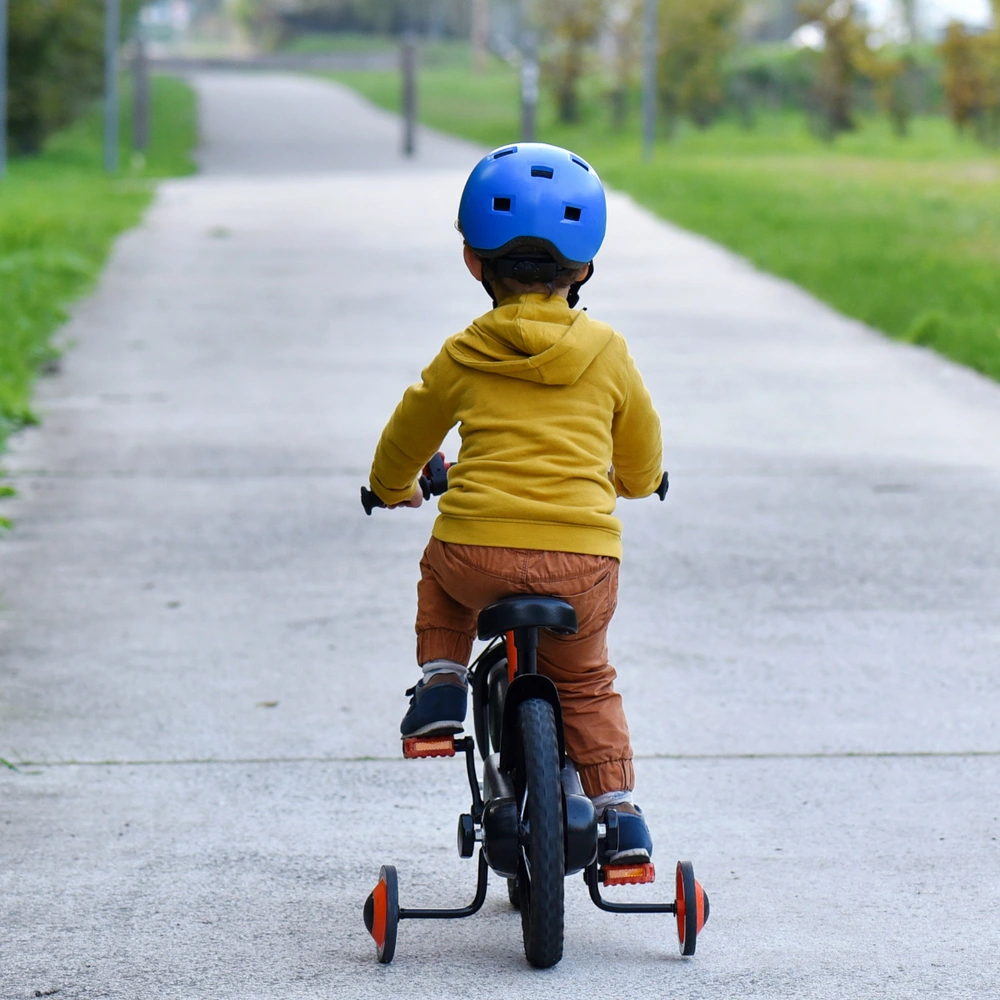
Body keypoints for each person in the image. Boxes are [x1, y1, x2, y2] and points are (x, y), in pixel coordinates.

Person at [367, 142, 663, 863]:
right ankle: (620, 818)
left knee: (440, 579)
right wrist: (638, 480)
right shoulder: (608, 351)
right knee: (585, 681)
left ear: (473, 260)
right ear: (584, 267)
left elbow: (407, 434)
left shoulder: (463, 351)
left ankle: (441, 681)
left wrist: (390, 486)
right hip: (581, 566)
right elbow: (640, 448)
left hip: (477, 555)